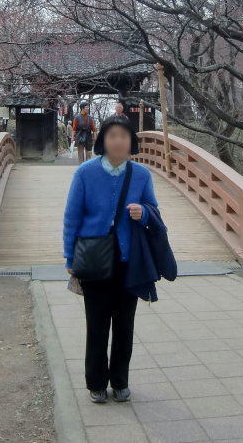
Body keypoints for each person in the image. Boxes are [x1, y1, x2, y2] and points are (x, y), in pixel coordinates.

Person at [62, 114, 158, 404]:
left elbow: (154, 211)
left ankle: (120, 381)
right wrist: (69, 257)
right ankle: (96, 382)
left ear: (132, 141)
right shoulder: (85, 173)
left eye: (124, 136)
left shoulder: (141, 175)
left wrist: (143, 213)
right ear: (102, 140)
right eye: (112, 135)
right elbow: (71, 217)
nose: (118, 141)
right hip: (94, 258)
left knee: (125, 325)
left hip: (129, 261)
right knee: (97, 324)